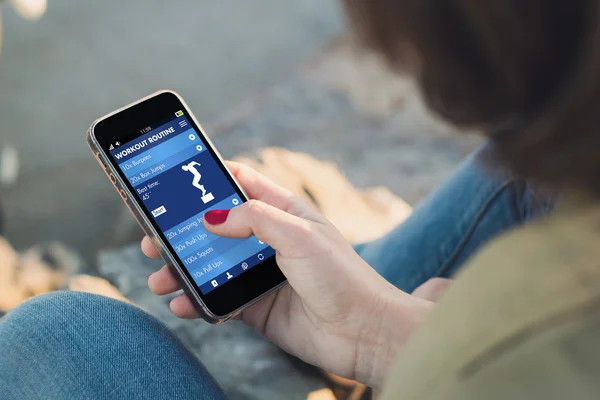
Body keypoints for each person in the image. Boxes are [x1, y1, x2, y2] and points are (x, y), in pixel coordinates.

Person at [1, 1, 598, 399]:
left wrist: (436, 353)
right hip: (404, 339)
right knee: (521, 168)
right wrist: (382, 334)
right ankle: (355, 285)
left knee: (55, 331)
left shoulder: (512, 362)